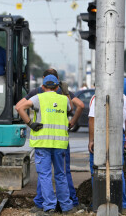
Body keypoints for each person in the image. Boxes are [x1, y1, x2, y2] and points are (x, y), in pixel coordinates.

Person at [16, 68, 84, 211]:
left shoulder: (38, 98)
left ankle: (49, 207)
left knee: (45, 176)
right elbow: (71, 109)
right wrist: (65, 93)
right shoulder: (64, 99)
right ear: (57, 87)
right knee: (61, 175)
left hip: (43, 143)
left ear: (43, 86)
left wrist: (30, 123)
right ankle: (66, 206)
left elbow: (19, 107)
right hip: (60, 144)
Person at [88, 93, 126, 211]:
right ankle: (122, 204)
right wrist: (125, 136)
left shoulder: (97, 97)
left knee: (97, 169)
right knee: (118, 170)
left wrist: (91, 140)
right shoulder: (125, 99)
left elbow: (92, 119)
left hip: (100, 136)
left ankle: (98, 202)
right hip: (119, 135)